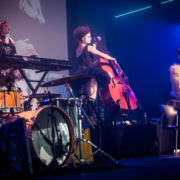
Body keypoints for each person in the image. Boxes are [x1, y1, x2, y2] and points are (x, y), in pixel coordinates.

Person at [67, 26, 116, 125]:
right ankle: (91, 119)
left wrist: (96, 44)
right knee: (92, 96)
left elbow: (89, 54)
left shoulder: (78, 49)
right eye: (88, 37)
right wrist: (112, 58)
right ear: (82, 38)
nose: (90, 38)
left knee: (84, 98)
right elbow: (101, 55)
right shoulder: (88, 47)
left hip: (82, 74)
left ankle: (83, 120)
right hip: (90, 73)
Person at [0, 20, 23, 87]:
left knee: (11, 87)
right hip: (1, 69)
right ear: (0, 28)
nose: (9, 27)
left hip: (10, 69)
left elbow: (14, 56)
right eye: (6, 26)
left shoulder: (10, 40)